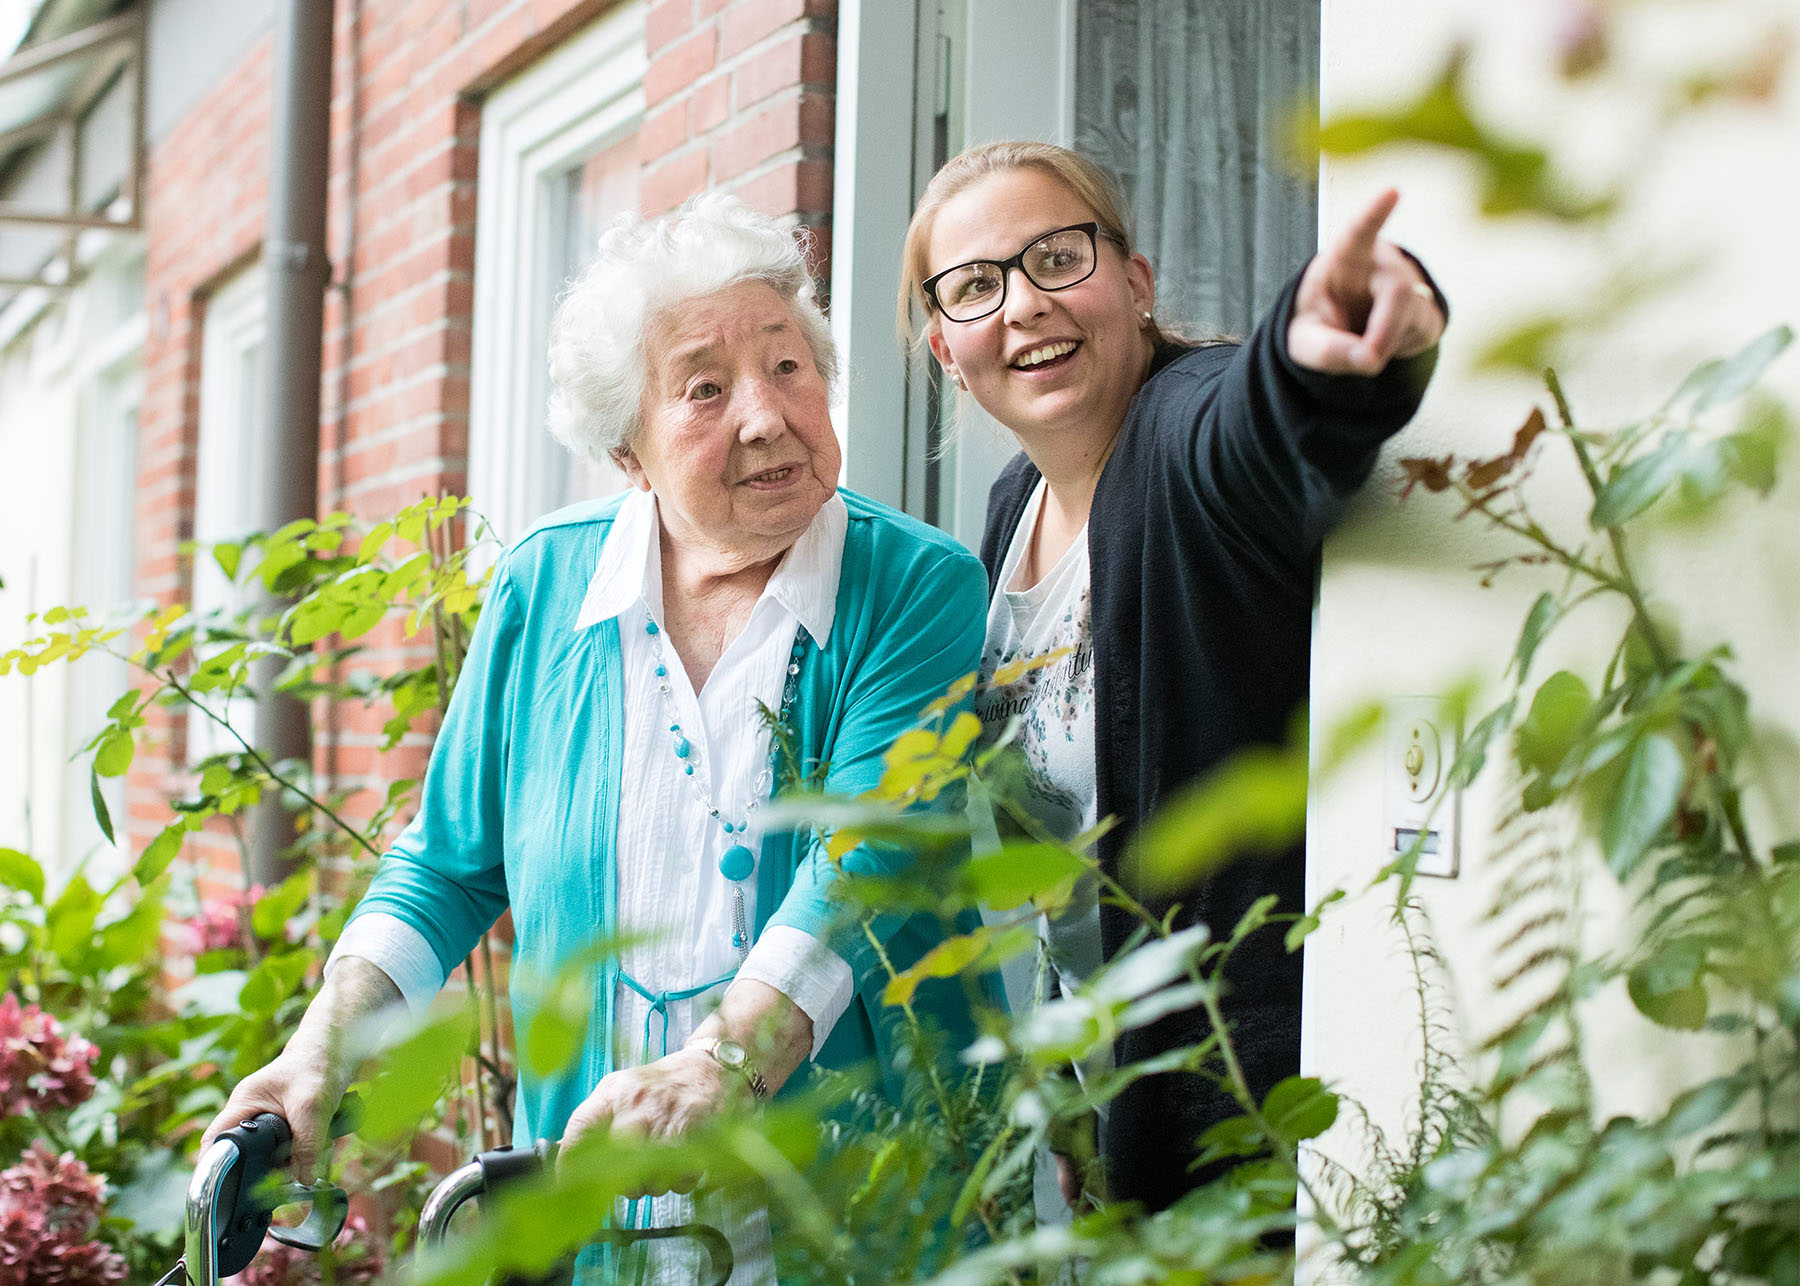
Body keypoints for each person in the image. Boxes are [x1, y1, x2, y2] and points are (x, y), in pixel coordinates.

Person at [204, 194, 993, 1283]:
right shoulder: (548, 583)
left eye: (789, 366)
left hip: (856, 1208)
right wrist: (319, 1050)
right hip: (597, 1207)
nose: (766, 415)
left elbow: (868, 858)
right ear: (630, 450)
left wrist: (721, 1065)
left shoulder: (916, 584)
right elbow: (446, 864)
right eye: (705, 389)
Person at [897, 141, 1446, 1214]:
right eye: (975, 286)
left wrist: (1322, 347)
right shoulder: (1013, 510)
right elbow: (1066, 846)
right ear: (947, 350)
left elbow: (1255, 423)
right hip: (1124, 1106)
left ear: (1135, 282)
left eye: (1058, 257)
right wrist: (1072, 1076)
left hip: (1243, 1123)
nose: (1024, 304)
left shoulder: (1179, 433)